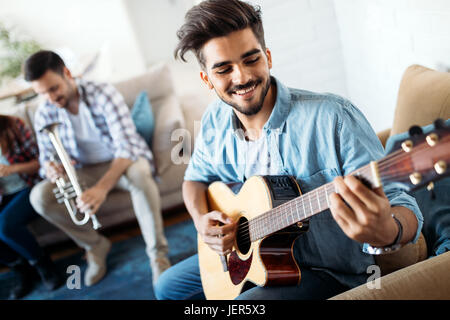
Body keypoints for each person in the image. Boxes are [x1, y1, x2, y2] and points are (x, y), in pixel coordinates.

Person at [154, 0, 423, 300]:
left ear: (267, 57)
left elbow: (403, 204)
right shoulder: (215, 121)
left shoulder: (332, 118)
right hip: (258, 257)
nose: (242, 77)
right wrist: (202, 223)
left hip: (328, 272)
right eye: (224, 69)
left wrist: (386, 230)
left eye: (251, 59)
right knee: (167, 287)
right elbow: (194, 180)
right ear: (207, 79)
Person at [24, 50, 170, 287]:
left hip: (122, 162)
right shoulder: (45, 111)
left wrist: (102, 188)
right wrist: (51, 169)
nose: (50, 98)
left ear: (67, 74)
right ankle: (95, 245)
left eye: (54, 89)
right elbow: (44, 161)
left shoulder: (102, 93)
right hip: (83, 170)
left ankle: (158, 256)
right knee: (39, 197)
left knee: (141, 175)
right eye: (42, 93)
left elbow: (126, 147)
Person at [0, 115, 63, 299]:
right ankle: (21, 269)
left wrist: (11, 169)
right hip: (4, 195)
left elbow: (40, 164)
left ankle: (44, 265)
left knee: (5, 225)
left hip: (29, 186)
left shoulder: (13, 126)